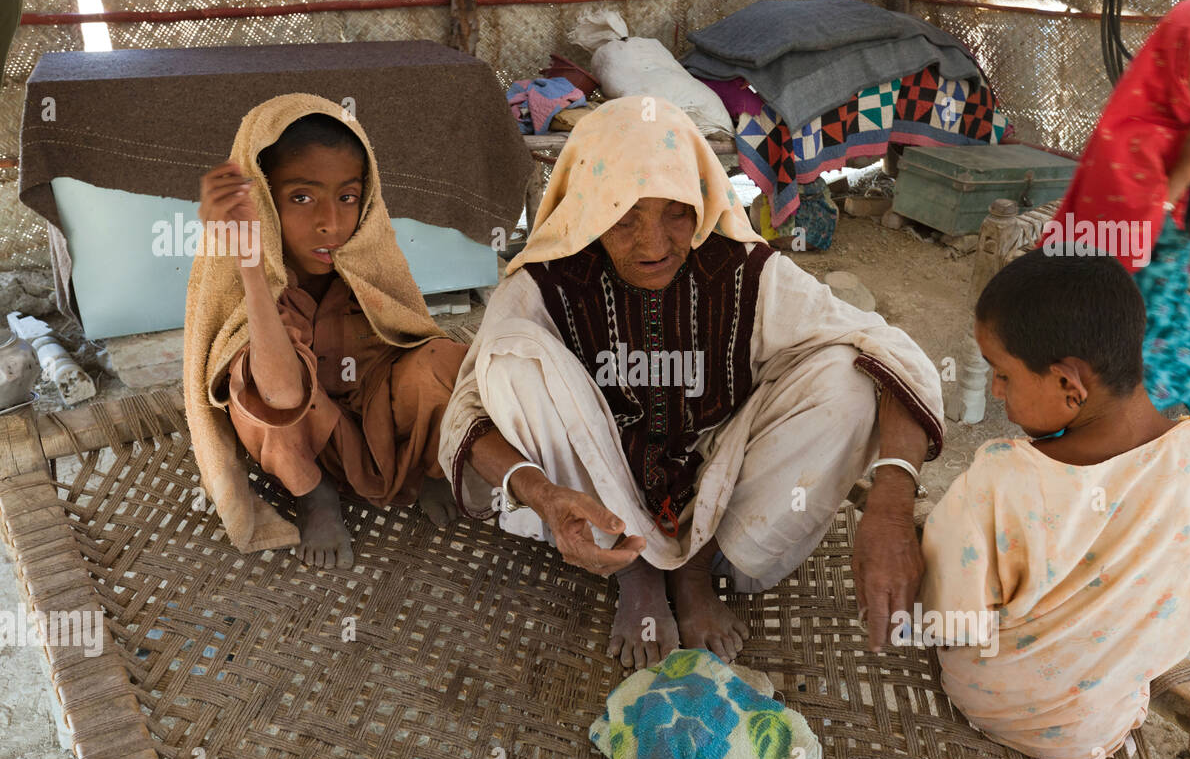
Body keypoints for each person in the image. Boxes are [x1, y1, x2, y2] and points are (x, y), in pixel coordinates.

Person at [438, 97, 944, 669]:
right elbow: (469, 414)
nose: (654, 245)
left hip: (721, 500)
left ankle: (696, 569)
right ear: (586, 208)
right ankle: (637, 571)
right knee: (510, 360)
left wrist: (892, 506)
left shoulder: (742, 268)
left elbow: (889, 351)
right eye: (624, 217)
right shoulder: (546, 282)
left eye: (676, 211)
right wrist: (544, 495)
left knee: (849, 375)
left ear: (703, 199)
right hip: (595, 506)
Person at [919, 248, 1190, 759]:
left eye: (1003, 374)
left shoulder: (998, 482)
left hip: (987, 701)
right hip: (1099, 721)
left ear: (1070, 384)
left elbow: (949, 618)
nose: (997, 390)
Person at [184, 94, 467, 565]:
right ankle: (314, 494)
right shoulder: (245, 277)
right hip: (304, 438)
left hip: (378, 416)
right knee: (253, 382)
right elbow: (278, 391)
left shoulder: (369, 262)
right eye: (301, 198)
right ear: (261, 200)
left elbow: (416, 343)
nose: (329, 224)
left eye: (347, 197)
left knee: (447, 360)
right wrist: (251, 266)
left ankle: (430, 466)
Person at [1042, 0, 1190, 442]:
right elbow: (1114, 254)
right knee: (1085, 426)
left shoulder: (1186, 127)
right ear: (1178, 64)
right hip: (1114, 320)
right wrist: (1187, 168)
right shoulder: (1126, 138)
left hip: (1170, 310)